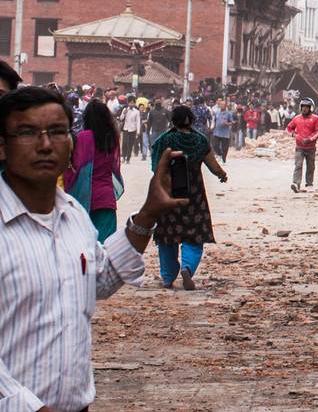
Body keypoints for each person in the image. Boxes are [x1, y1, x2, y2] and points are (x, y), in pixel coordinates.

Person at [0, 86, 187, 410]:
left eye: (58, 132)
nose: (46, 145)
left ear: (72, 142)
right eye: (28, 133)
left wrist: (148, 213)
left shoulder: (73, 215)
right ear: (2, 146)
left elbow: (101, 275)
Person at [148, 104, 227, 290]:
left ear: (172, 120)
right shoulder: (200, 140)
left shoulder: (164, 140)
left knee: (167, 236)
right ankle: (187, 267)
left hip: (169, 193)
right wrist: (222, 175)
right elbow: (213, 166)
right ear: (191, 120)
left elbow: (155, 168)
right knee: (194, 235)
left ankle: (168, 277)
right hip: (194, 196)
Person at [66, 98, 124, 242]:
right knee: (106, 246)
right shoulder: (112, 138)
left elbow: (77, 165)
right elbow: (114, 165)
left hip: (85, 198)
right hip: (106, 197)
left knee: (85, 244)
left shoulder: (83, 138)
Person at [286, 98, 318, 192]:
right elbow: (288, 128)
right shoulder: (297, 118)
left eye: (307, 107)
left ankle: (309, 183)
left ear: (311, 108)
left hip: (311, 147)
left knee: (310, 166)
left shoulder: (315, 119)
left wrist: (310, 139)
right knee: (298, 165)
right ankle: (296, 183)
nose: (304, 109)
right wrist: (294, 135)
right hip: (299, 147)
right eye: (303, 107)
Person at [119, 97, 144, 161]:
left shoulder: (137, 112)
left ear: (134, 104)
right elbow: (121, 118)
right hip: (126, 128)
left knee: (130, 144)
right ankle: (123, 156)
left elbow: (138, 122)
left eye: (132, 103)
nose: (131, 104)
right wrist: (124, 113)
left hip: (133, 129)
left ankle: (128, 158)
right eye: (130, 103)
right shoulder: (125, 109)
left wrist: (138, 131)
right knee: (124, 143)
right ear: (128, 103)